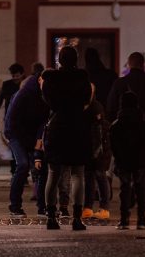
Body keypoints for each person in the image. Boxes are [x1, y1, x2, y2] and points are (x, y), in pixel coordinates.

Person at [40, 46, 94, 231]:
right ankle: (77, 219)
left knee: (53, 174)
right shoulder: (82, 78)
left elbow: (47, 100)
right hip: (78, 126)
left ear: (59, 60)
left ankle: (51, 218)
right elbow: (87, 100)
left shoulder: (50, 79)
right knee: (78, 174)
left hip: (57, 126)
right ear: (75, 59)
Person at [3, 70, 49, 216]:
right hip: (17, 135)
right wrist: (15, 139)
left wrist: (38, 141)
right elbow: (11, 119)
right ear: (40, 80)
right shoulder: (23, 95)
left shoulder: (45, 96)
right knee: (22, 165)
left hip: (33, 136)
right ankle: (15, 205)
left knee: (42, 169)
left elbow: (44, 120)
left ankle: (43, 206)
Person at [110, 92, 145, 230]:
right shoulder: (143, 123)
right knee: (141, 188)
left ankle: (124, 219)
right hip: (140, 159)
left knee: (125, 188)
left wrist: (118, 157)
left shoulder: (116, 125)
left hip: (123, 159)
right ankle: (141, 219)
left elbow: (113, 145)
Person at [81, 94, 111, 221]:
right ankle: (88, 207)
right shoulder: (86, 107)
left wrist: (99, 153)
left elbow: (99, 135)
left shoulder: (96, 108)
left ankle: (104, 207)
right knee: (90, 179)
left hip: (98, 152)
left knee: (100, 177)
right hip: (90, 150)